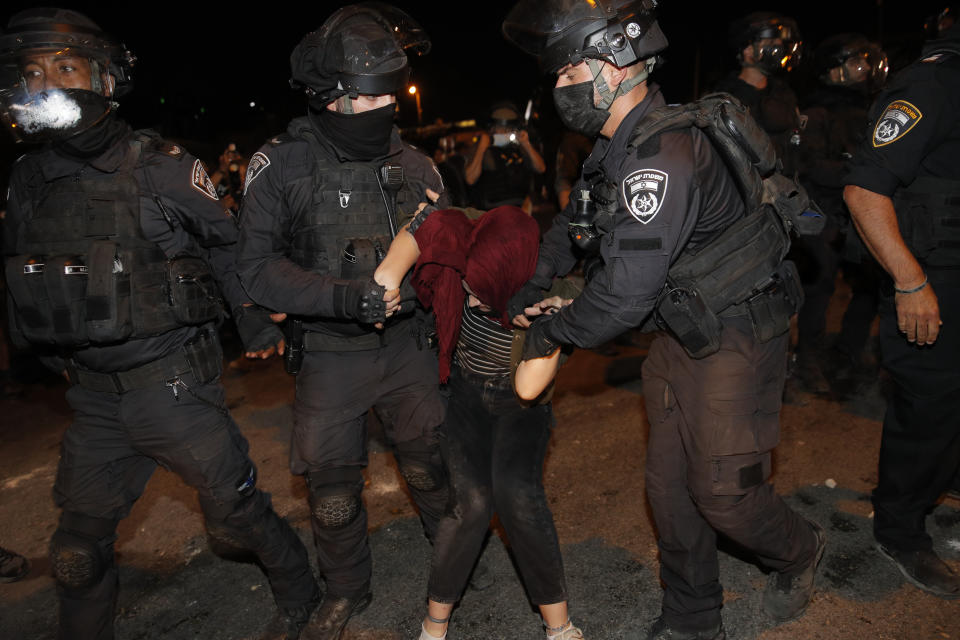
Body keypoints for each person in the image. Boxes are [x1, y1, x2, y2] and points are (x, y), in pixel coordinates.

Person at [501, 1, 827, 638]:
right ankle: (692, 615)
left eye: (567, 75)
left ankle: (802, 548)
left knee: (726, 495)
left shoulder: (664, 155)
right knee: (672, 492)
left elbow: (623, 294)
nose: (559, 89)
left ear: (611, 68)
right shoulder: (613, 152)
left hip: (736, 335)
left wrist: (553, 333)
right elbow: (575, 226)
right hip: (679, 332)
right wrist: (531, 288)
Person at [0, 8, 318, 640]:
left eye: (65, 66)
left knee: (237, 513)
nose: (47, 84)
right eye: (33, 72)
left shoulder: (159, 163)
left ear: (107, 80)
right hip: (90, 398)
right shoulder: (27, 178)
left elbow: (227, 245)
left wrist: (256, 324)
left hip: (173, 386)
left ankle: (301, 593)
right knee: (75, 551)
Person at [235, 4, 450, 638]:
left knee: (429, 466)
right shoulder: (282, 165)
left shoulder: (414, 165)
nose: (382, 109)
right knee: (330, 496)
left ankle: (455, 554)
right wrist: (341, 298)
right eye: (368, 97)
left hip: (408, 346)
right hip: (330, 352)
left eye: (389, 95)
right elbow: (256, 268)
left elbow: (446, 251)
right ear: (331, 99)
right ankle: (347, 588)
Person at [373, 206, 582, 640]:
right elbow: (428, 226)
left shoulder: (551, 296)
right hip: (467, 393)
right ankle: (434, 626)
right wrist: (389, 276)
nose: (469, 298)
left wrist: (552, 330)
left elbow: (528, 389)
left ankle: (558, 627)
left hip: (520, 405)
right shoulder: (475, 236)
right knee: (469, 504)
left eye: (482, 294)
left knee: (517, 496)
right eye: (469, 284)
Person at [842, 18, 960, 600]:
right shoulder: (932, 87)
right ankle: (899, 529)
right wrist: (911, 283)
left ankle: (944, 487)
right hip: (931, 278)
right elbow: (865, 190)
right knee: (928, 409)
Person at [796, 34, 889, 394]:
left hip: (859, 213)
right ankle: (808, 359)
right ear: (832, 70)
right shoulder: (815, 112)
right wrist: (859, 171)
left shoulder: (871, 110)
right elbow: (812, 167)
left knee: (868, 285)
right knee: (819, 289)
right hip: (823, 213)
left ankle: (849, 352)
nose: (863, 70)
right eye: (855, 63)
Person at [714, 12, 804, 178]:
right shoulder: (726, 97)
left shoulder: (784, 93)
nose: (778, 49)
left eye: (779, 44)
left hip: (786, 190)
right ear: (748, 51)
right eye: (771, 43)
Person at [464, 101, 546, 211]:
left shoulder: (519, 148)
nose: (503, 132)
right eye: (499, 128)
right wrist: (482, 147)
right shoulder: (483, 148)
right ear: (491, 128)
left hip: (518, 210)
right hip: (490, 212)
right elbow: (470, 179)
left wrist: (526, 144)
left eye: (508, 128)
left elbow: (541, 168)